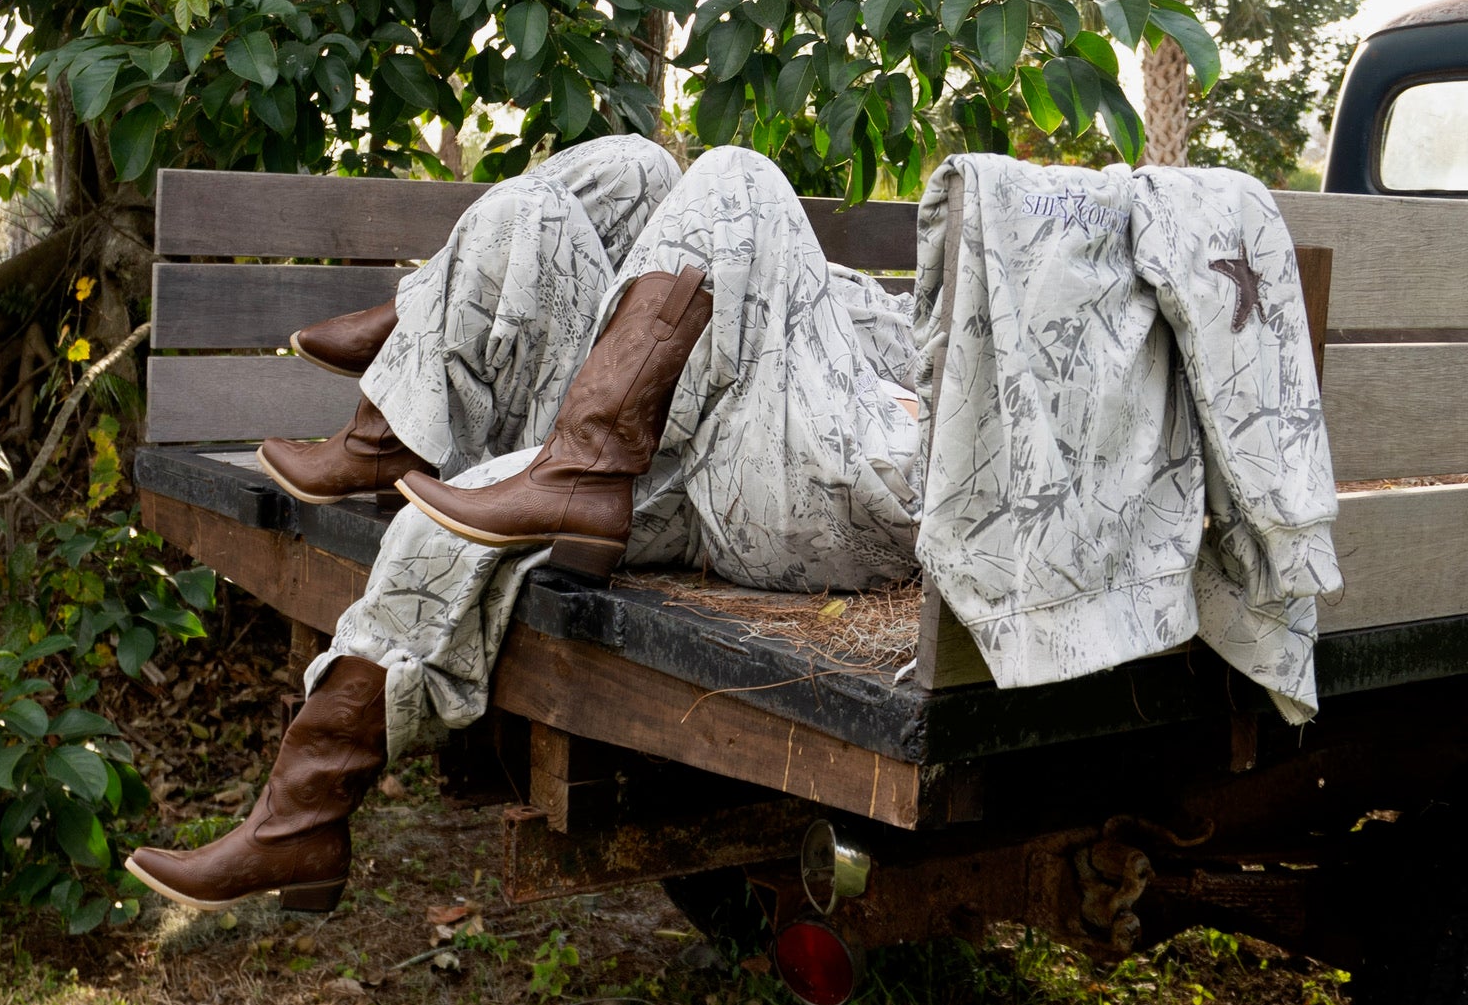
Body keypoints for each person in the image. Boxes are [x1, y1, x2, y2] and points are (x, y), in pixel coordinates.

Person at [125, 140, 923, 915]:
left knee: (737, 176)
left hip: (818, 472)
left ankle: (463, 396)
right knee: (633, 170)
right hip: (707, 432)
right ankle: (300, 822)